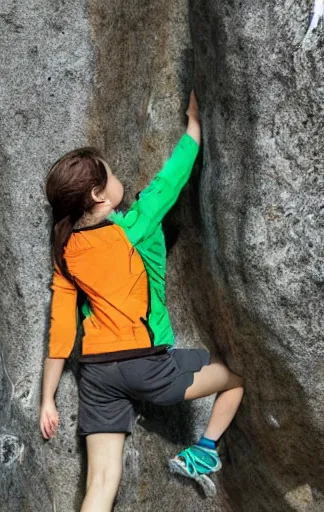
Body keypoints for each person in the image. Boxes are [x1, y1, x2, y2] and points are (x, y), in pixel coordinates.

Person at [39, 91, 244, 510]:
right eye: (111, 175)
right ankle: (205, 450)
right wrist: (194, 127)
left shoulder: (66, 253)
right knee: (239, 375)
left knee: (100, 483)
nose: (119, 180)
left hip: (96, 375)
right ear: (99, 195)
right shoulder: (134, 226)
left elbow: (62, 329)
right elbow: (170, 180)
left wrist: (48, 398)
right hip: (149, 365)